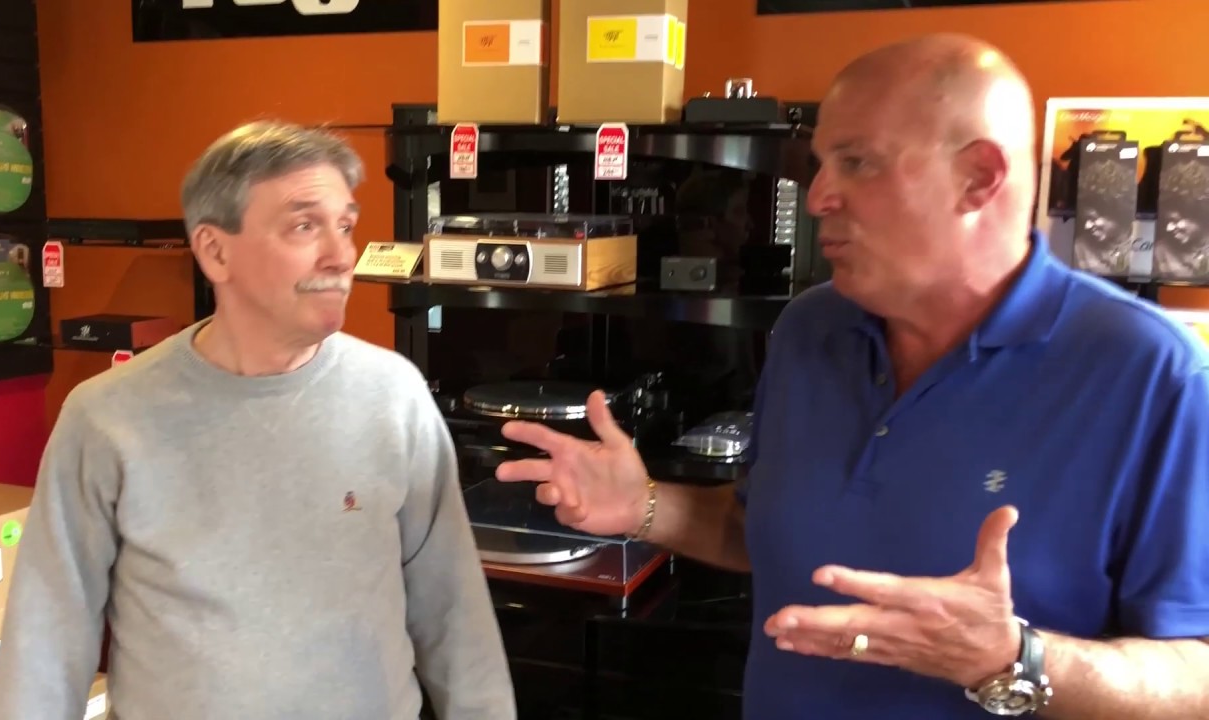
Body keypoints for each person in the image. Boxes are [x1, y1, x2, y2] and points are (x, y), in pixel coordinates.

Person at [495, 34, 1209, 720]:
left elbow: (1196, 676)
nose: (816, 197)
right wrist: (646, 505)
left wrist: (1012, 659)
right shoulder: (811, 329)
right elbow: (764, 529)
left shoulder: (1149, 372)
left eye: (857, 162)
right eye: (820, 163)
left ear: (979, 177)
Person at [0, 121, 516, 719]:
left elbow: (455, 618)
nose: (341, 255)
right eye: (304, 226)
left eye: (345, 225)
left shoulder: (394, 397)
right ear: (215, 251)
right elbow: (46, 642)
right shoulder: (106, 416)